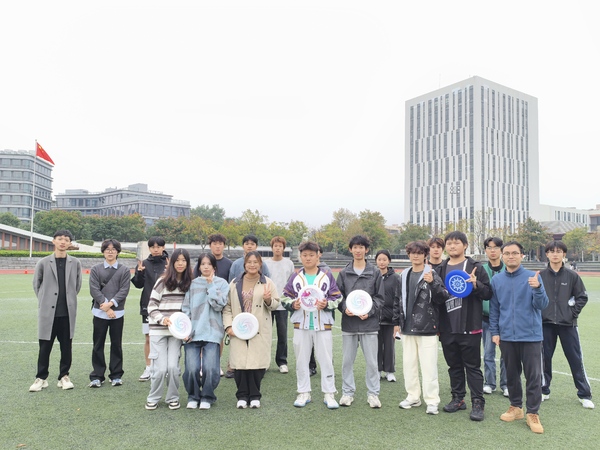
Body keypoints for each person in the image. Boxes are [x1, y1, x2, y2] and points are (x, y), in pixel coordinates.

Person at [489, 241, 549, 434]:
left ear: (522, 255)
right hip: (507, 336)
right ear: (502, 256)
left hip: (531, 336)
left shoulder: (533, 277)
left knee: (533, 376)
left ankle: (533, 412)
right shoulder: (497, 280)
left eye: (515, 253)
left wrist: (538, 288)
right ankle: (516, 407)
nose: (511, 256)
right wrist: (495, 332)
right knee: (512, 374)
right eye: (507, 253)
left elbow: (542, 305)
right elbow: (494, 309)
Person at [435, 231, 491, 421]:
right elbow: (436, 298)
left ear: (465, 245)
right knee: (454, 366)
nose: (452, 246)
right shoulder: (440, 269)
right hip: (448, 327)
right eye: (449, 243)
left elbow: (488, 293)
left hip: (470, 326)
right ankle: (458, 398)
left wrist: (476, 285)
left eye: (456, 242)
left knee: (473, 367)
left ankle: (478, 402)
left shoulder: (476, 267)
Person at [282, 241, 342, 409]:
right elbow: (285, 297)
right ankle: (303, 392)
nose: (308, 258)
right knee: (301, 360)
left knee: (326, 359)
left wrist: (326, 304)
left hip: (323, 325)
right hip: (301, 325)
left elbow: (337, 297)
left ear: (318, 256)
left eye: (311, 255)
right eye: (304, 255)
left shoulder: (326, 276)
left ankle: (329, 393)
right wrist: (293, 304)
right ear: (300, 257)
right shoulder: (295, 277)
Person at [394, 241, 449, 415]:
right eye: (412, 253)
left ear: (425, 255)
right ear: (408, 254)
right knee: (408, 365)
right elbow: (397, 300)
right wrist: (396, 323)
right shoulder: (403, 274)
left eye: (419, 253)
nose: (415, 256)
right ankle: (413, 397)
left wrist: (433, 283)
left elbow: (443, 297)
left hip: (427, 328)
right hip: (407, 328)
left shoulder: (431, 273)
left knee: (429, 367)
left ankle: (432, 400)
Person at [540, 240, 593, 409]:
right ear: (547, 254)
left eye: (559, 251)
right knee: (543, 359)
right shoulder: (540, 276)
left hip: (568, 325)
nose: (555, 254)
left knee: (575, 359)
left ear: (564, 254)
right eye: (552, 251)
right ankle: (543, 390)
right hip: (545, 324)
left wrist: (571, 314)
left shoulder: (572, 276)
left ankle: (584, 394)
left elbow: (582, 297)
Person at [223, 251, 280, 409]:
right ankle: (242, 396)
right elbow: (227, 307)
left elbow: (276, 304)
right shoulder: (234, 283)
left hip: (258, 328)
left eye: (256, 262)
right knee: (240, 362)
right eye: (249, 262)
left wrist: (268, 299)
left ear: (260, 264)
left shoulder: (267, 282)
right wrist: (228, 326)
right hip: (239, 327)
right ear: (244, 264)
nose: (252, 265)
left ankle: (255, 395)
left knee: (257, 363)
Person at [30, 230, 83, 392]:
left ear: (69, 243)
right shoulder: (44, 262)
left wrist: (68, 299)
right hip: (48, 313)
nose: (63, 242)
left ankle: (64, 376)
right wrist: (45, 300)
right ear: (53, 241)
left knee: (66, 347)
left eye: (66, 239)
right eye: (60, 239)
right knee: (45, 347)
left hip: (67, 313)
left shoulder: (75, 263)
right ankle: (41, 378)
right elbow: (36, 284)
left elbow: (77, 285)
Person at [337, 235, 385, 408]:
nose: (358, 250)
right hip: (349, 325)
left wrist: (369, 312)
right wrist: (345, 308)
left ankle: (373, 394)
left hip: (369, 324)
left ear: (366, 250)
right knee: (347, 362)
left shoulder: (375, 272)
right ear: (350, 250)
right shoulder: (343, 273)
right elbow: (337, 297)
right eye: (355, 247)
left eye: (361, 247)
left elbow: (380, 298)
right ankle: (347, 393)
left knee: (372, 362)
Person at [145, 248, 193, 410]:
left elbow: (190, 310)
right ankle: (153, 397)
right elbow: (151, 306)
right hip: (158, 330)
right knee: (160, 369)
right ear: (172, 262)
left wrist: (186, 330)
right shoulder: (162, 281)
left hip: (176, 333)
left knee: (173, 367)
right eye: (177, 260)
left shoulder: (189, 283)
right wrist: (162, 319)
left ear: (187, 263)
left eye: (184, 260)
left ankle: (173, 397)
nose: (180, 263)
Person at [182, 253, 230, 410]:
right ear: (199, 266)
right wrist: (185, 330)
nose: (206, 267)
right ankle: (193, 396)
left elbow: (219, 305)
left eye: (209, 264)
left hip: (212, 332)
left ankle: (207, 396)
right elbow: (186, 308)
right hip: (193, 333)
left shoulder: (222, 284)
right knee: (192, 368)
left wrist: (210, 285)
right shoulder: (192, 284)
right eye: (203, 264)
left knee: (210, 368)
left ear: (214, 267)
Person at [225, 234, 270, 379]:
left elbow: (267, 285)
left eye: (252, 243)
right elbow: (230, 285)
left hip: (256, 311)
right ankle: (232, 366)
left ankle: (257, 367)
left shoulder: (264, 266)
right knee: (238, 343)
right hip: (239, 310)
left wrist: (267, 298)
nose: (252, 265)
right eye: (247, 243)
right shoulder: (235, 264)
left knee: (256, 342)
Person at [88, 239, 131, 387]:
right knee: (98, 344)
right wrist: (106, 307)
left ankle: (116, 375)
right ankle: (97, 376)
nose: (110, 252)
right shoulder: (96, 269)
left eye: (113, 249)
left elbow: (124, 290)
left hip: (117, 313)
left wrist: (111, 304)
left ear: (118, 252)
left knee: (116, 344)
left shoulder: (124, 270)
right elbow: (94, 289)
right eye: (107, 249)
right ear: (103, 251)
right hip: (100, 312)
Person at [131, 236, 168, 382]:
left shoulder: (170, 263)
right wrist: (139, 273)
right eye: (153, 247)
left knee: (166, 337)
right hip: (147, 306)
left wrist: (170, 271)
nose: (156, 249)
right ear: (149, 248)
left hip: (167, 306)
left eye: (159, 246)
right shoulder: (144, 263)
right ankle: (148, 367)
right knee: (148, 337)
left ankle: (164, 367)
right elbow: (138, 284)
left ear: (163, 247)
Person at [264, 236, 296, 374]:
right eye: (275, 246)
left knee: (282, 334)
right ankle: (264, 362)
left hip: (283, 304)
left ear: (284, 248)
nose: (277, 248)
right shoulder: (265, 263)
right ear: (272, 248)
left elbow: (292, 282)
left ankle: (282, 362)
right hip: (268, 304)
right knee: (265, 334)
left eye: (280, 246)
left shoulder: (289, 263)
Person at [481, 237, 508, 396]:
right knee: (488, 353)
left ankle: (506, 384)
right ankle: (489, 383)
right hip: (486, 318)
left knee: (507, 353)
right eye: (489, 247)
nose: (493, 250)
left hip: (506, 319)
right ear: (485, 250)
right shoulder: (481, 269)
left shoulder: (509, 269)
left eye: (496, 247)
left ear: (501, 250)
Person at [375, 249, 400, 382]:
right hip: (375, 318)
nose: (382, 262)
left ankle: (390, 371)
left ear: (389, 261)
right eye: (379, 259)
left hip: (391, 318)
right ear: (376, 261)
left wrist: (397, 319)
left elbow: (398, 298)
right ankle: (378, 370)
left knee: (389, 346)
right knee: (377, 346)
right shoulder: (373, 276)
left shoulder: (395, 277)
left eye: (384, 259)